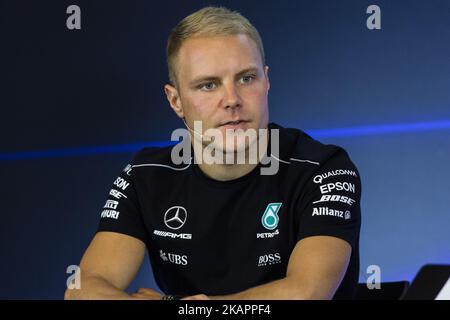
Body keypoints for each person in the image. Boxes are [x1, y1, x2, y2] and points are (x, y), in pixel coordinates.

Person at [65, 6, 361, 300]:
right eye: (208, 85)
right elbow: (83, 289)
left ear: (267, 81)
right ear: (175, 100)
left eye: (246, 78)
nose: (232, 100)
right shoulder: (145, 177)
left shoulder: (324, 169)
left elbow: (306, 294)